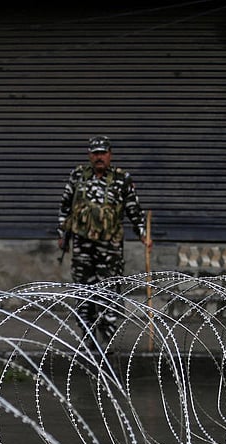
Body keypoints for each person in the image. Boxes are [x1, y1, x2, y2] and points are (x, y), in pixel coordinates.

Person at [57, 135, 150, 345]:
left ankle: (107, 339)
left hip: (110, 248)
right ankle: (87, 337)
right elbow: (65, 205)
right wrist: (62, 233)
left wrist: (143, 233)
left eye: (103, 153)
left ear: (110, 155)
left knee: (109, 291)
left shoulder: (121, 179)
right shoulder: (77, 176)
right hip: (82, 246)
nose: (99, 157)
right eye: (95, 153)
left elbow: (133, 209)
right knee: (83, 291)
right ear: (90, 155)